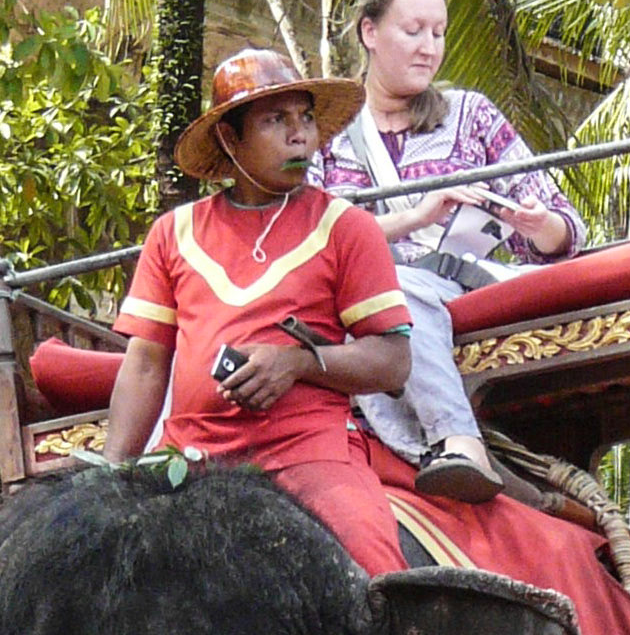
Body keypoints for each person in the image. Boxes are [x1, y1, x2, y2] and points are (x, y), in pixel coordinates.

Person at [101, 49, 414, 578]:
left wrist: (296, 364)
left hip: (308, 455)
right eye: (275, 120)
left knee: (375, 574)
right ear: (229, 138)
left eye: (306, 118)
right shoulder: (173, 233)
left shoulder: (346, 227)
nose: (300, 136)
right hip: (188, 461)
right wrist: (111, 475)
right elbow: (146, 364)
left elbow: (393, 362)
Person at [310, 0, 587, 502]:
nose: (428, 48)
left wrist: (537, 224)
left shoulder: (471, 115)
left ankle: (457, 441)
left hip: (469, 279)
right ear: (370, 32)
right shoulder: (327, 132)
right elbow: (314, 239)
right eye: (413, 31)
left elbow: (567, 230)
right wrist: (416, 217)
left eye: (438, 34)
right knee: (389, 291)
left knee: (396, 293)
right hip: (377, 295)